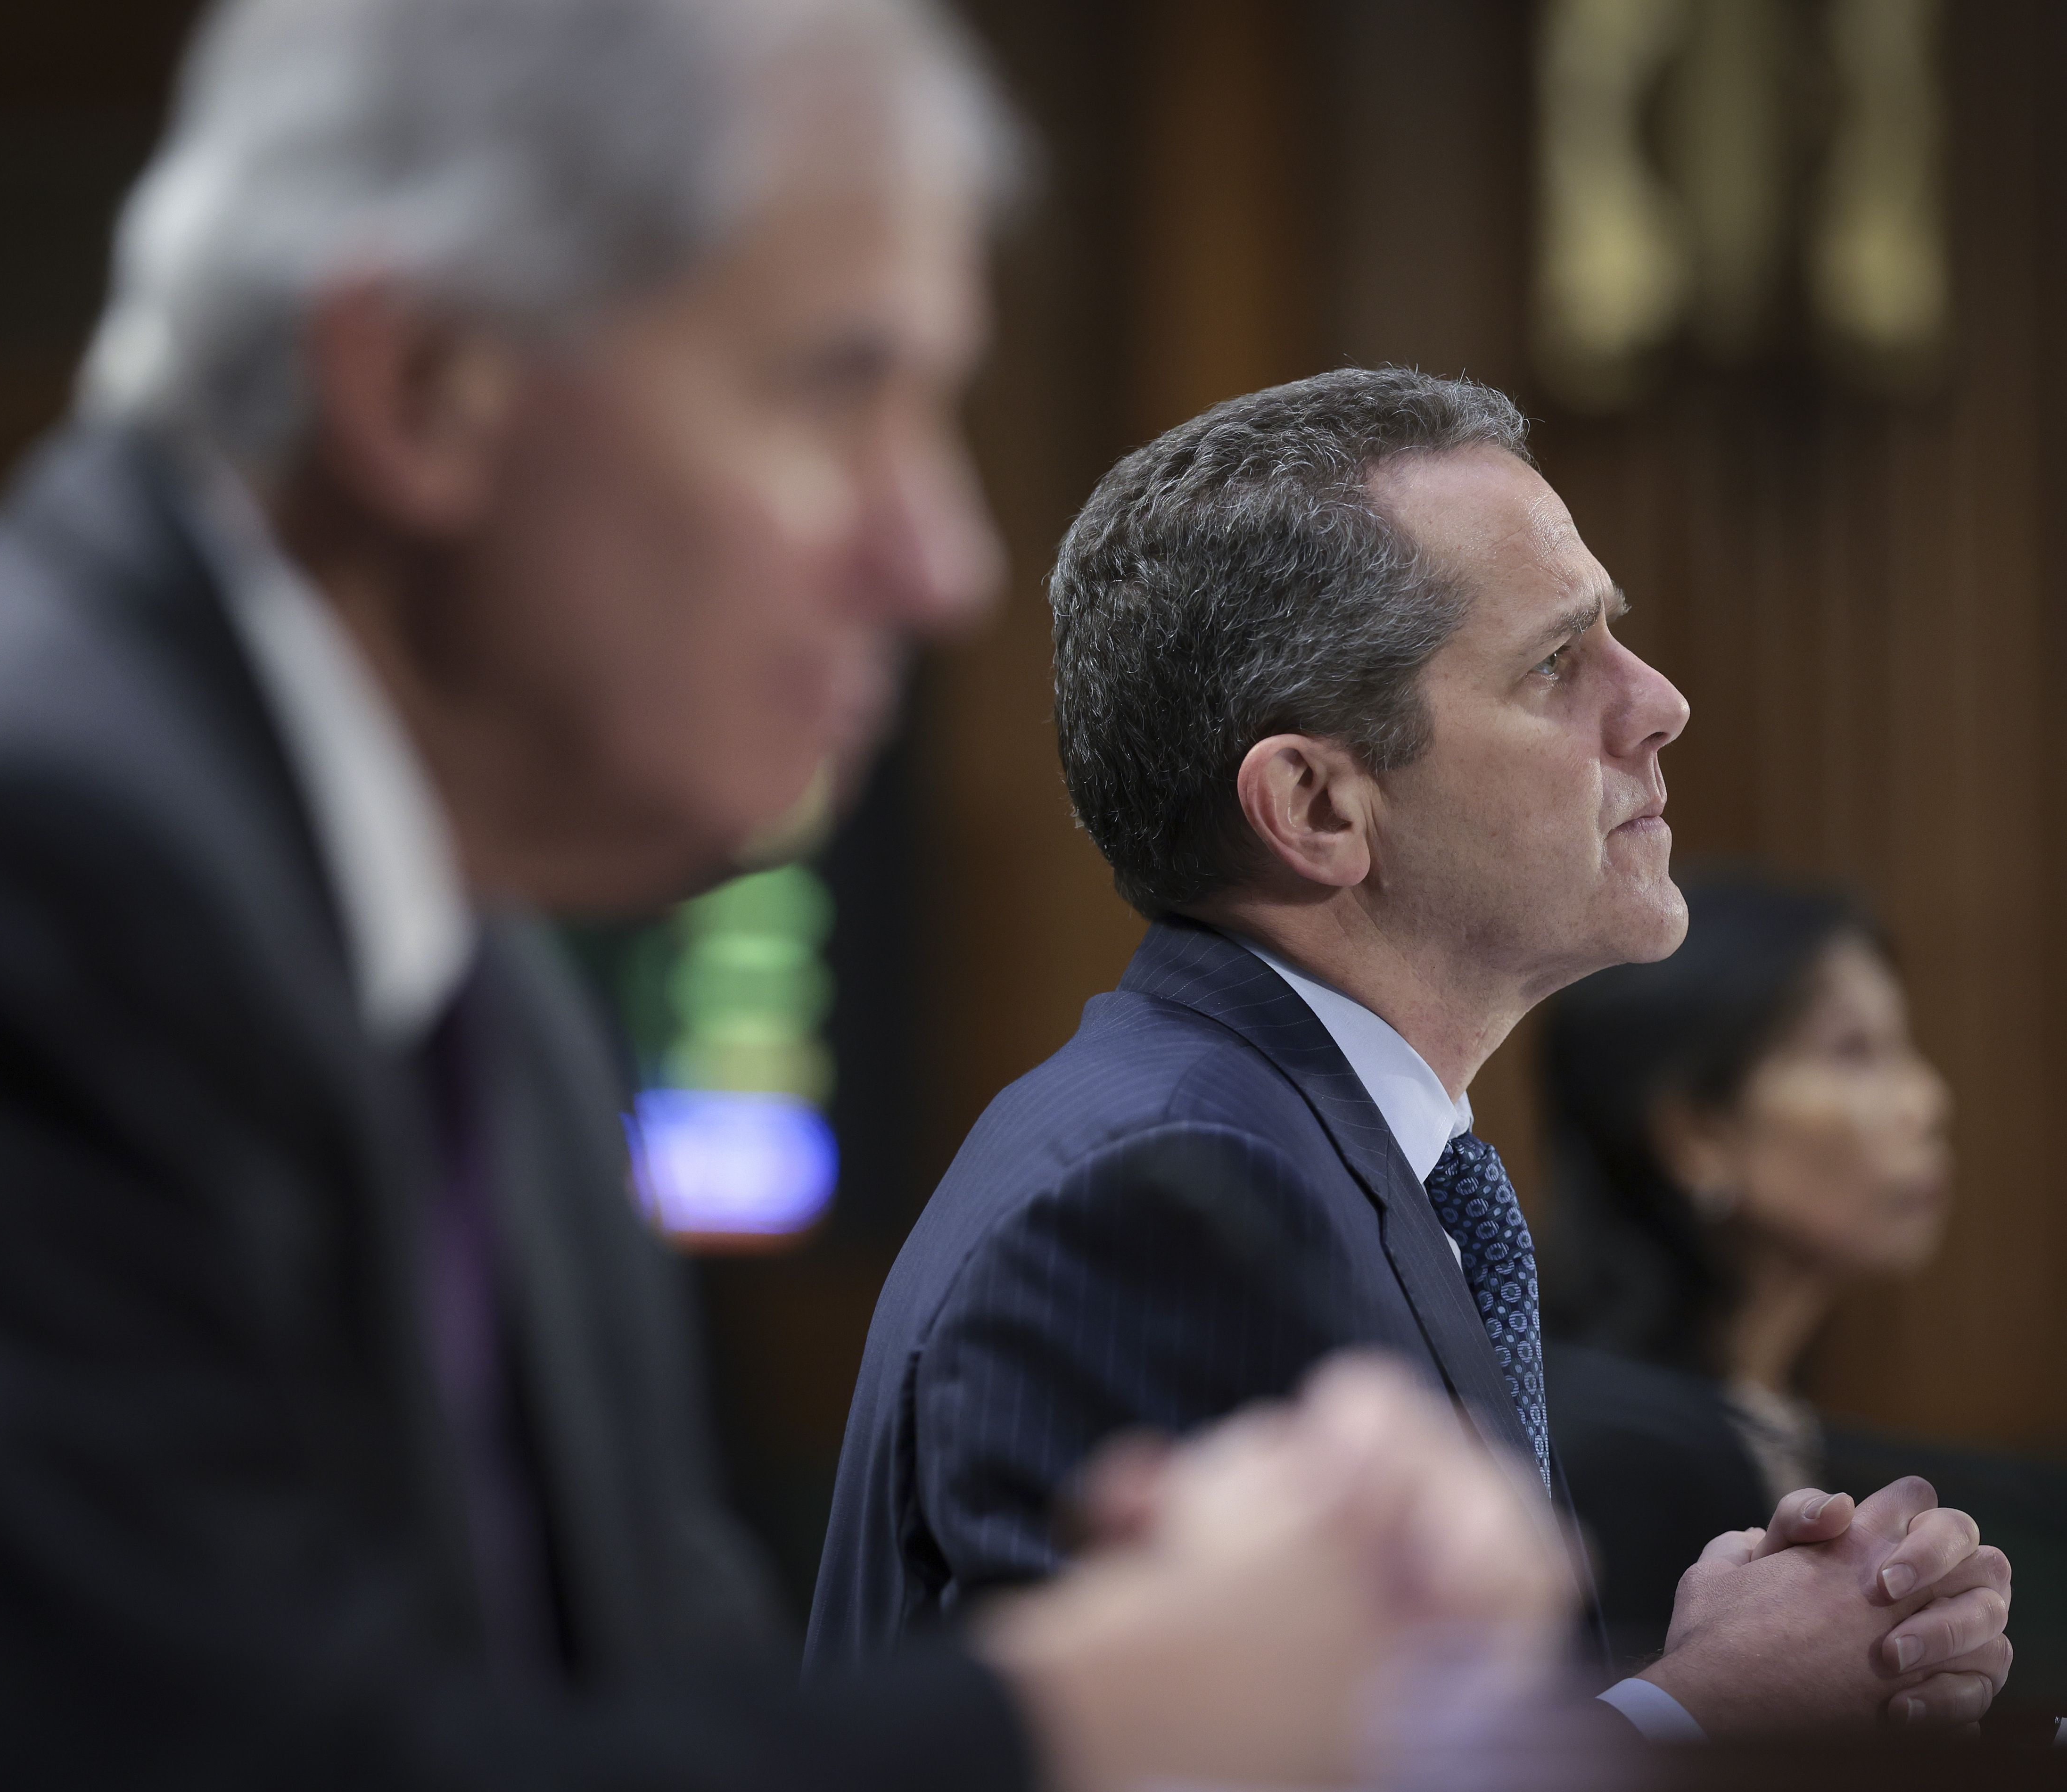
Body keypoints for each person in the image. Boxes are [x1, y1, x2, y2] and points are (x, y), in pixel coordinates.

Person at [0, 4, 1580, 1787]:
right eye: (842, 397)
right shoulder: (5, 864)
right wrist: (1088, 1711)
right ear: (422, 384)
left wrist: (1195, 1616)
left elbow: (623, 1704)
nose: (942, 563)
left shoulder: (466, 962)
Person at [807, 368, 2015, 1739]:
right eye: (1557, 664)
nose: (1661, 699)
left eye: (1616, 635)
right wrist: (1691, 1716)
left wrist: (1716, 1660)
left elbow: (1380, 1733)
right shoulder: (1165, 1204)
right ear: (1318, 804)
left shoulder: (1296, 1143)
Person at [1542, 874, 2067, 1700]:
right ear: (1697, 1131)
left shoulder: (1760, 1422)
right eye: (1854, 1051)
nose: (1928, 1100)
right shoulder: (1608, 1456)